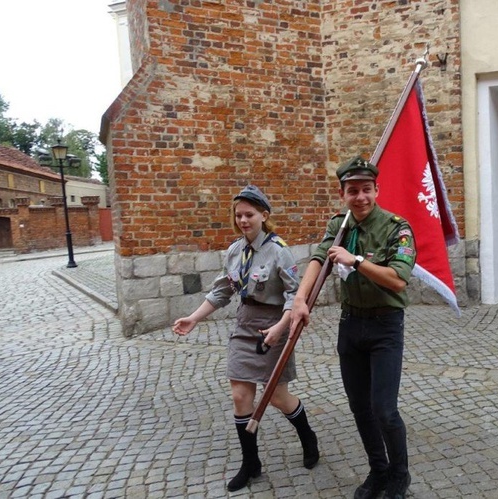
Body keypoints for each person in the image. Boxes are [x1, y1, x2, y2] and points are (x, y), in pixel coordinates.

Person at [172, 184, 319, 492]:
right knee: (240, 396)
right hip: (245, 323)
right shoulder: (235, 251)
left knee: (277, 397)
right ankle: (251, 463)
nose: (243, 220)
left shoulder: (279, 250)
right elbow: (222, 292)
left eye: (249, 214)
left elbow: (296, 295)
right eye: (238, 215)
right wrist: (193, 318)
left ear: (264, 216)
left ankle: (308, 436)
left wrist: (281, 327)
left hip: (275, 324)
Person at [290, 156, 416, 499]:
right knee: (359, 406)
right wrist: (300, 300)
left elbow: (398, 281)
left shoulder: (396, 227)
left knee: (384, 409)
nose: (360, 197)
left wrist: (356, 261)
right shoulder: (339, 226)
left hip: (386, 326)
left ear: (377, 190)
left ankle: (400, 476)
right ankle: (378, 470)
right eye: (352, 191)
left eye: (365, 190)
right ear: (342, 194)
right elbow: (318, 259)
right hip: (351, 326)